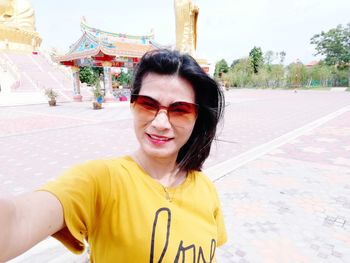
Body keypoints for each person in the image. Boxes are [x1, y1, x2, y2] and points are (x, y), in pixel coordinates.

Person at [0, 49, 227, 262]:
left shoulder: (206, 189)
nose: (160, 123)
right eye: (147, 105)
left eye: (180, 110)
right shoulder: (100, 180)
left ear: (197, 117)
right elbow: (17, 221)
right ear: (132, 105)